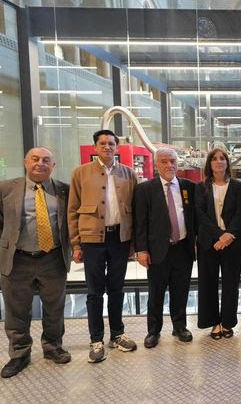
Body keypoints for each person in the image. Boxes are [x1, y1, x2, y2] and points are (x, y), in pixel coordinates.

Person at [0, 147, 71, 378]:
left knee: (54, 308)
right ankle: (19, 354)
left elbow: (69, 222)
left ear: (53, 165)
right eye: (35, 159)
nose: (40, 163)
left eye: (46, 160)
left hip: (53, 258)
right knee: (16, 310)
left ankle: (53, 347)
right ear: (26, 162)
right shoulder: (4, 188)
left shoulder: (64, 190)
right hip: (17, 259)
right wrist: (12, 242)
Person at [68, 129, 138, 363]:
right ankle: (96, 339)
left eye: (111, 143)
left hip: (120, 239)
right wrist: (76, 244)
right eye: (103, 143)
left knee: (117, 289)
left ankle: (117, 334)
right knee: (95, 292)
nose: (107, 147)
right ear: (95, 147)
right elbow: (72, 210)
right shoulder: (80, 173)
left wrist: (134, 242)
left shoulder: (128, 173)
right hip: (92, 240)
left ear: (117, 147)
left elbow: (136, 210)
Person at [134, 147, 196, 348]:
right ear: (156, 165)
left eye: (172, 161)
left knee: (181, 291)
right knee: (156, 293)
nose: (169, 165)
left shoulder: (188, 187)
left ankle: (180, 327)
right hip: (157, 250)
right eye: (164, 161)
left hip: (183, 248)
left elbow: (194, 217)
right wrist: (141, 250)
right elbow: (140, 222)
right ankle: (153, 331)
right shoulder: (145, 189)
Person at [195, 148, 241, 339]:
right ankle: (214, 323)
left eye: (222, 158)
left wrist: (228, 235)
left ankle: (228, 323)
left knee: (231, 284)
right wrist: (219, 236)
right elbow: (200, 214)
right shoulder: (201, 187)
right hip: (209, 243)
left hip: (232, 242)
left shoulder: (238, 186)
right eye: (214, 159)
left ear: (227, 163)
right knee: (208, 283)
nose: (219, 161)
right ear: (210, 163)